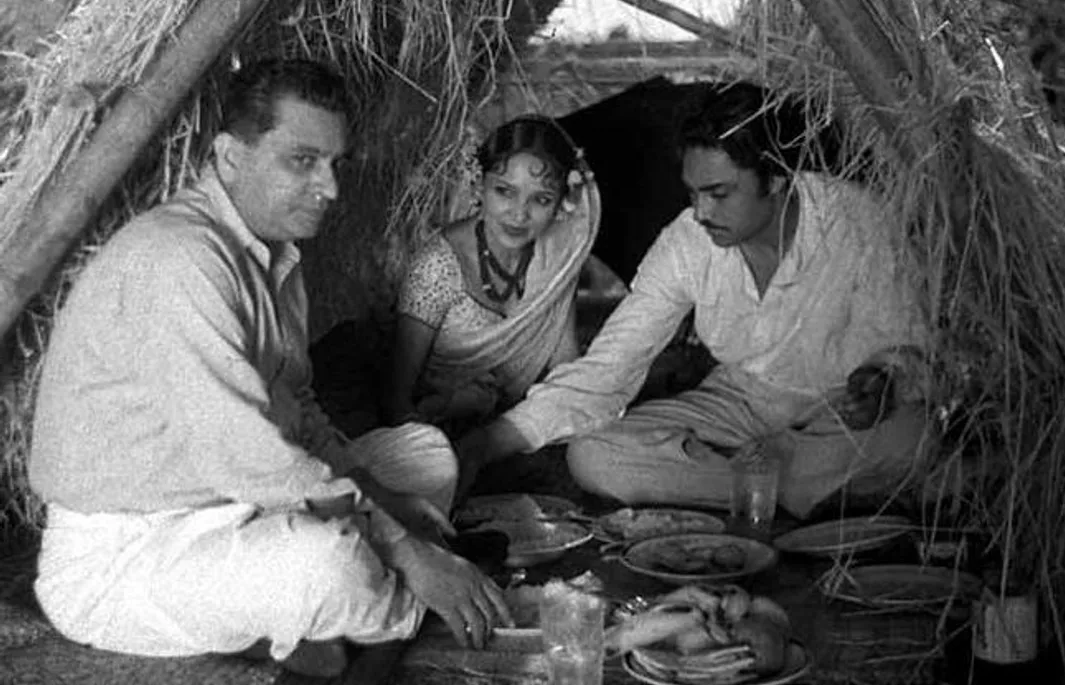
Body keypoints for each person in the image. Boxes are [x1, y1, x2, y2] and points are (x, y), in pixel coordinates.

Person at [28, 58, 511, 677]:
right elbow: (250, 453)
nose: (331, 189)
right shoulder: (177, 259)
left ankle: (306, 627)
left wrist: (386, 505)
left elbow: (299, 413)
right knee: (329, 567)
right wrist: (407, 547)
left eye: (336, 164)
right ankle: (372, 612)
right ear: (230, 158)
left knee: (425, 454)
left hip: (239, 504)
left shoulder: (275, 256)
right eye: (302, 161)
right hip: (126, 552)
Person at [457, 82, 929, 519]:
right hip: (738, 404)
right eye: (692, 193)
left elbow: (909, 349)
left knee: (914, 435)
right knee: (595, 455)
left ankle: (767, 481)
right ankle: (791, 488)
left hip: (836, 411)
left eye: (719, 193)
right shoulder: (686, 242)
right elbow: (609, 367)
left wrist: (882, 379)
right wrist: (486, 444)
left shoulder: (857, 220)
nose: (701, 212)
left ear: (777, 179)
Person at [386, 115, 600, 434]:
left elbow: (564, 364)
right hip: (428, 431)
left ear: (559, 205)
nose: (519, 213)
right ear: (479, 186)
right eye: (504, 191)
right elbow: (395, 401)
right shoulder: (437, 266)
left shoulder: (557, 257)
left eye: (541, 199)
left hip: (510, 425)